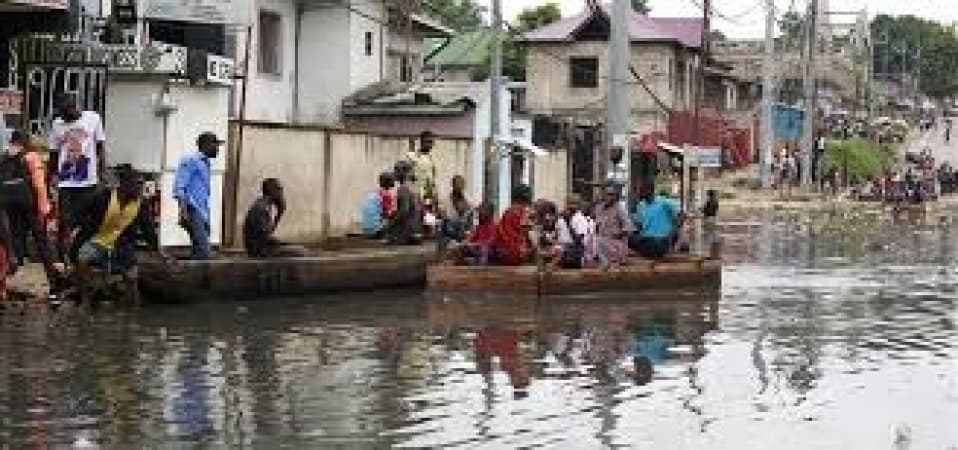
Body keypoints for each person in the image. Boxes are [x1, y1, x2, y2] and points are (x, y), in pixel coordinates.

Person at [72, 165, 160, 301]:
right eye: (137, 184)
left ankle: (133, 306)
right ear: (125, 184)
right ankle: (85, 297)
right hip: (97, 240)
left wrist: (155, 249)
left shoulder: (141, 205)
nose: (140, 189)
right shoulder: (103, 197)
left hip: (122, 244)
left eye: (141, 185)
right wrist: (78, 227)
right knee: (83, 259)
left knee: (132, 276)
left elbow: (148, 228)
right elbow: (80, 212)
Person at [48, 93, 106, 262]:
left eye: (65, 113)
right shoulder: (57, 124)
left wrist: (101, 173)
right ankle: (61, 259)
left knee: (91, 222)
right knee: (65, 223)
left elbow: (100, 146)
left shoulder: (93, 118)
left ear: (74, 108)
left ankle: (82, 255)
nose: (62, 117)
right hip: (66, 183)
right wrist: (51, 176)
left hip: (89, 182)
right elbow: (54, 152)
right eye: (61, 114)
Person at [1, 130, 60, 290]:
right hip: (29, 205)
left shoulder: (4, 157)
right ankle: (52, 279)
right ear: (25, 141)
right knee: (41, 240)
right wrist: (45, 208)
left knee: (14, 236)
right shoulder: (31, 156)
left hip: (8, 204)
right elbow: (39, 185)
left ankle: (11, 275)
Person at [174, 132, 221, 260]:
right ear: (206, 144)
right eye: (216, 145)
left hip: (202, 211)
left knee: (199, 250)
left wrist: (206, 216)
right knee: (204, 252)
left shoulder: (206, 163)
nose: (218, 149)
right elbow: (180, 188)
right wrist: (183, 212)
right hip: (193, 210)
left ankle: (193, 278)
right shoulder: (191, 160)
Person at [243, 178, 306, 258]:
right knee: (301, 251)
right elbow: (265, 239)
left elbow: (266, 234)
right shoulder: (261, 208)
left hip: (260, 248)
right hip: (259, 251)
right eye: (279, 189)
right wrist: (286, 244)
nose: (281, 192)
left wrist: (279, 214)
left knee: (299, 249)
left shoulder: (264, 205)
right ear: (272, 191)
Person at [630, 183, 680, 259]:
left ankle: (654, 251)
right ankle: (650, 251)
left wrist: (672, 235)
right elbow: (640, 225)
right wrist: (633, 219)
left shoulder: (664, 202)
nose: (639, 193)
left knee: (655, 244)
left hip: (661, 239)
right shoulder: (640, 205)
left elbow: (677, 219)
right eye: (640, 191)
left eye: (642, 191)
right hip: (646, 239)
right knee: (630, 239)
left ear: (650, 191)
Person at [593, 183, 635, 269]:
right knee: (591, 241)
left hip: (615, 244)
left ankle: (608, 263)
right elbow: (596, 227)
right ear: (603, 195)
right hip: (601, 242)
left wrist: (618, 234)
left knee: (598, 242)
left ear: (616, 196)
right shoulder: (599, 209)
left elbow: (630, 228)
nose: (609, 197)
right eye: (607, 194)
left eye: (612, 195)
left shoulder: (620, 209)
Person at [491, 184, 533, 266]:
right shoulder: (523, 212)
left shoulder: (508, 211)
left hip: (504, 252)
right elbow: (527, 233)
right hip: (516, 253)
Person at [387, 161, 422, 245]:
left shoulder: (403, 189)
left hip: (408, 232)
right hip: (417, 231)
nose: (394, 173)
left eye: (396, 170)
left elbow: (404, 211)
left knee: (391, 219)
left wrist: (391, 223)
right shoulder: (415, 187)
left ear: (403, 172)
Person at [438, 175, 472, 251]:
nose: (460, 186)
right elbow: (443, 216)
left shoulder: (468, 200)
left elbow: (470, 216)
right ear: (453, 185)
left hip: (463, 230)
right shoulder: (445, 200)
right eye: (458, 184)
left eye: (462, 184)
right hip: (449, 229)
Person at [556, 194, 590, 269]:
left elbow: (578, 240)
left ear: (579, 205)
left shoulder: (581, 219)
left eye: (574, 203)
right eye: (569, 203)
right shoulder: (561, 219)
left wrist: (568, 222)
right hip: (561, 253)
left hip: (574, 254)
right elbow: (558, 236)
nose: (571, 206)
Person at [362, 171, 396, 238]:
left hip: (366, 230)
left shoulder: (373, 193)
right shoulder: (385, 195)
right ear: (390, 182)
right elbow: (388, 214)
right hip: (377, 231)